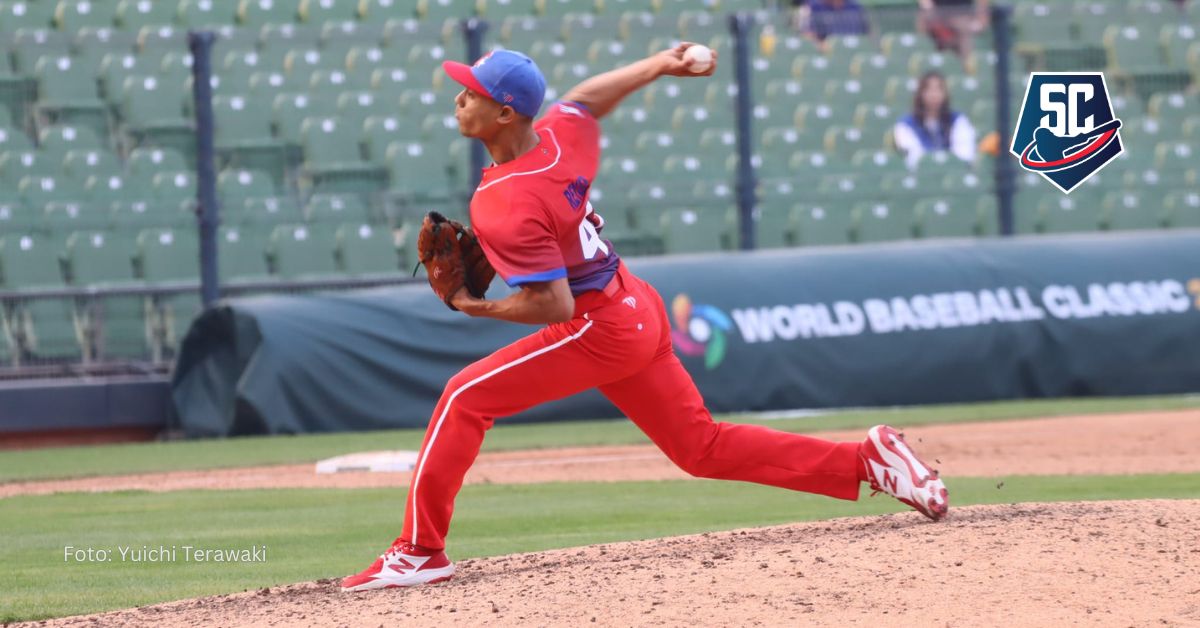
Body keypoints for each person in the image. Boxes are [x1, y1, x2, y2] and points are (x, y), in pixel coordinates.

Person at [341, 46, 949, 592]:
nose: (459, 97)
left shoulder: (500, 200)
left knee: (462, 396)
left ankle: (420, 551)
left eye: (472, 91)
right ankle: (868, 460)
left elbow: (552, 305)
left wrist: (476, 306)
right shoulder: (557, 138)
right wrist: (660, 63)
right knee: (700, 448)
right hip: (635, 304)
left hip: (596, 324)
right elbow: (587, 99)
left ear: (504, 115)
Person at [893, 70, 977, 170]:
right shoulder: (906, 124)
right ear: (920, 93)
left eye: (938, 89)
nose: (934, 95)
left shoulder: (958, 120)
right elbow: (914, 159)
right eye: (929, 90)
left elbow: (965, 155)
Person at [917, 0, 989, 73]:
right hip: (938, 15)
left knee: (963, 27)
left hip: (964, 16)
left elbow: (982, 9)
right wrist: (928, 9)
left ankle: (967, 63)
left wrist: (982, 18)